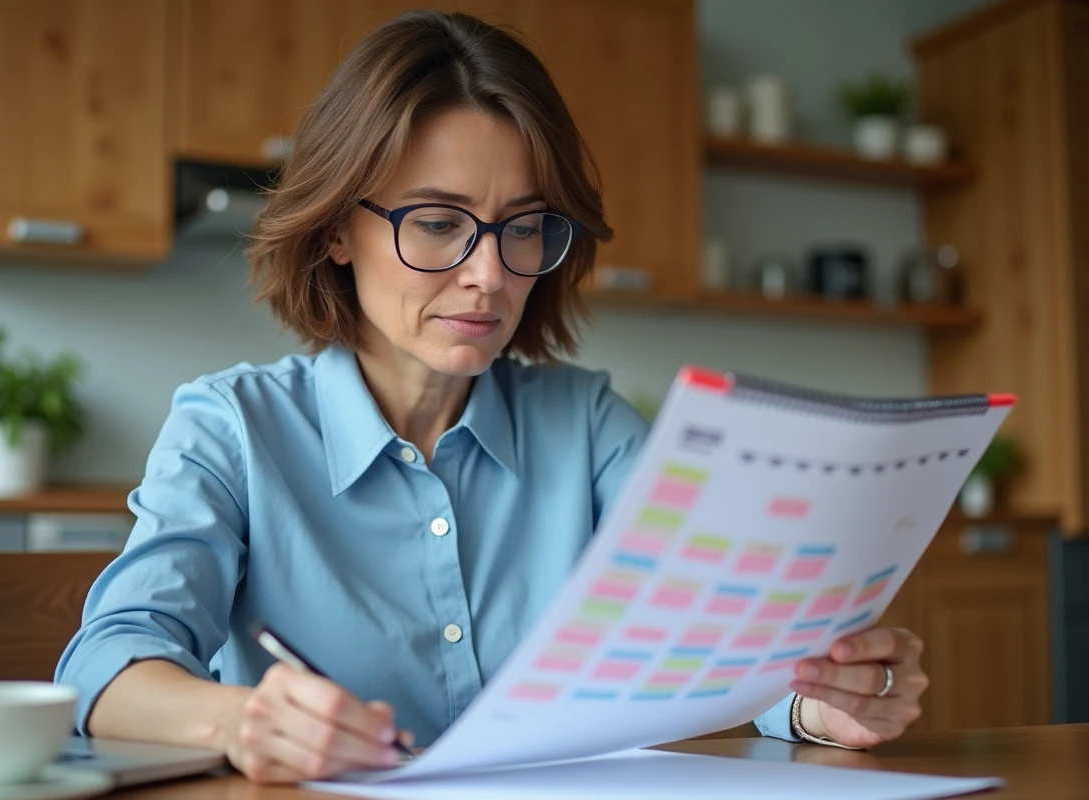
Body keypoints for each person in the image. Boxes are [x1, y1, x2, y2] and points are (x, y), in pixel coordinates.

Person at [55, 10, 928, 785]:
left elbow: (727, 650)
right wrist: (242, 721)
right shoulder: (232, 429)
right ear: (334, 232)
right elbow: (109, 662)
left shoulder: (589, 427)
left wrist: (823, 701)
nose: (489, 275)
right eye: (437, 223)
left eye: (522, 228)